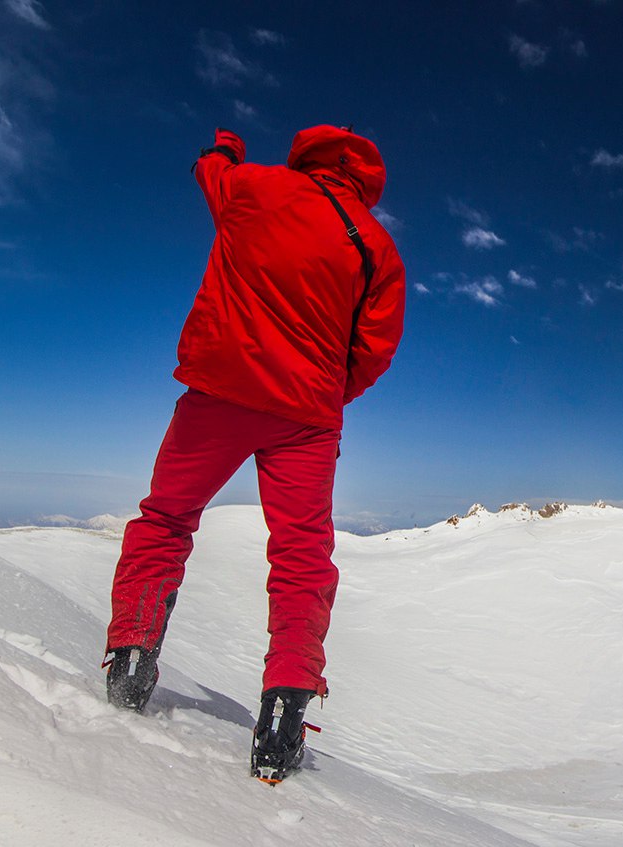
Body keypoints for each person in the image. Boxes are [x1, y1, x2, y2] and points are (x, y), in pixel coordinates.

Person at [103, 125, 405, 783]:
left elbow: (208, 171)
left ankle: (131, 658)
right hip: (308, 419)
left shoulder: (253, 186)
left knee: (167, 519)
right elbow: (376, 348)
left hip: (220, 390)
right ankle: (282, 719)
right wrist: (323, 390)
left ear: (308, 154)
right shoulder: (377, 247)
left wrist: (225, 146)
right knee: (301, 556)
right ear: (367, 177)